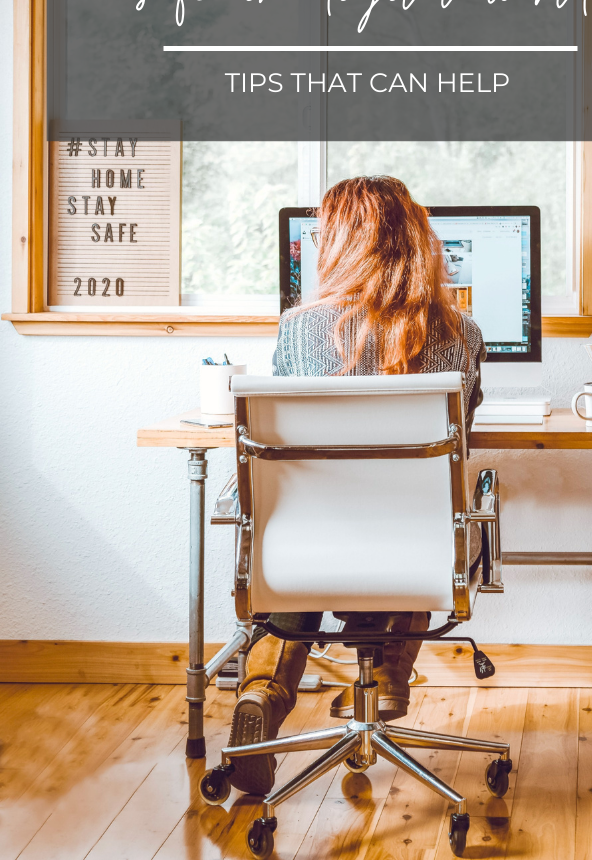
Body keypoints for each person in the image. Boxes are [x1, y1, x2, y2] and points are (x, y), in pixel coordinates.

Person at [228, 175, 485, 795]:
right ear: (420, 243)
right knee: (429, 514)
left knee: (288, 519)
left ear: (338, 244)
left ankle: (264, 692)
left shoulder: (297, 329)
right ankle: (391, 673)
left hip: (310, 549)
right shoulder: (463, 334)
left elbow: (283, 458)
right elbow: (460, 441)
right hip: (415, 554)